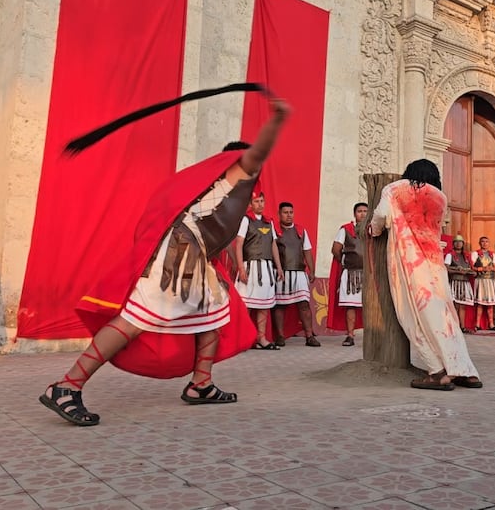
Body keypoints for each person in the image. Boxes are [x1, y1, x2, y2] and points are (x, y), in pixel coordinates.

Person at [38, 99, 291, 426]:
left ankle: (201, 383)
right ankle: (67, 386)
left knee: (213, 313)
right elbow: (257, 152)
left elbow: (213, 231)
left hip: (194, 256)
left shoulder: (222, 190)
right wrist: (279, 120)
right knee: (134, 319)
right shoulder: (236, 174)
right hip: (177, 256)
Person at [368, 159, 481, 390]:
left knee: (413, 317)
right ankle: (465, 371)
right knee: (446, 317)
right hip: (435, 264)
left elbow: (380, 215)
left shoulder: (395, 189)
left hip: (408, 262)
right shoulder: (440, 197)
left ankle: (437, 373)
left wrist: (373, 229)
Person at [235, 191, 284, 349]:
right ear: (250, 204)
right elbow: (239, 244)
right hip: (250, 267)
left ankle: (261, 338)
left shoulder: (268, 222)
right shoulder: (245, 220)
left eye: (262, 201)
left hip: (266, 268)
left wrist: (279, 267)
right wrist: (241, 268)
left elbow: (273, 245)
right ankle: (243, 339)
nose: (260, 204)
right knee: (246, 306)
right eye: (257, 201)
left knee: (263, 306)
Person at [271, 201, 320, 347]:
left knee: (304, 304)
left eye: (291, 212)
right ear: (279, 214)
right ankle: (280, 336)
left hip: (299, 273)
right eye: (285, 213)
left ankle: (309, 336)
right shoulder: (274, 230)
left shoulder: (300, 230)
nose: (288, 215)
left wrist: (312, 270)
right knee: (280, 306)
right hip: (281, 273)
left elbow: (307, 251)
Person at [328, 202, 368, 346]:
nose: (363, 214)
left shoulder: (372, 230)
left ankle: (370, 337)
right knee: (350, 306)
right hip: (350, 274)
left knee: (369, 306)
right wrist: (345, 261)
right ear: (354, 214)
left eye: (365, 211)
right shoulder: (345, 229)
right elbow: (336, 249)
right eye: (359, 211)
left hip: (368, 275)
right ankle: (350, 335)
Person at [445, 234, 476, 333]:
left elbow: (472, 269)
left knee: (463, 306)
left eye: (460, 242)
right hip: (455, 282)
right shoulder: (450, 255)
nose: (458, 244)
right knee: (456, 305)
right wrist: (458, 271)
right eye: (456, 242)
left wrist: (472, 272)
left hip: (465, 282)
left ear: (463, 244)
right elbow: (446, 268)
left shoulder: (467, 256)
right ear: (453, 244)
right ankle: (455, 326)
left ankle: (462, 327)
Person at [471, 236, 495, 331]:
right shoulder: (476, 254)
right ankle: (477, 324)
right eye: (482, 241)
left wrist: (491, 268)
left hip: (490, 280)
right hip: (480, 280)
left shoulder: (492, 254)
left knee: (490, 303)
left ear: (489, 243)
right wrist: (481, 269)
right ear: (480, 243)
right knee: (480, 303)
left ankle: (491, 324)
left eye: (486, 241)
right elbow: (471, 266)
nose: (484, 243)